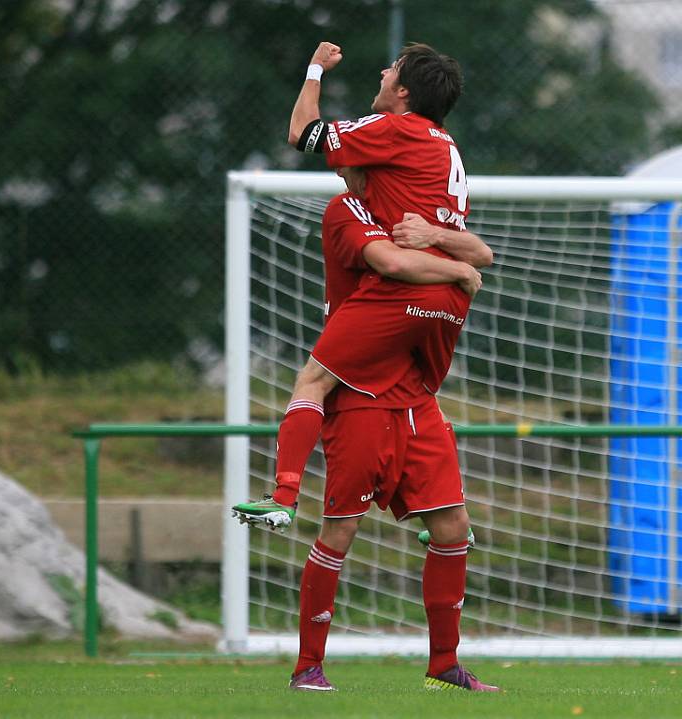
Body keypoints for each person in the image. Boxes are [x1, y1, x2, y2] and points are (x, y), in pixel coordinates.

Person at [236, 42, 499, 693]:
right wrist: (461, 265)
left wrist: (315, 69)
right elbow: (462, 253)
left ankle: (282, 496)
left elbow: (304, 134)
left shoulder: (385, 147)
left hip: (392, 351)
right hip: (403, 362)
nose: (381, 79)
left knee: (312, 383)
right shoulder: (368, 196)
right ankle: (315, 665)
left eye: (388, 74)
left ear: (404, 93)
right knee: (419, 526)